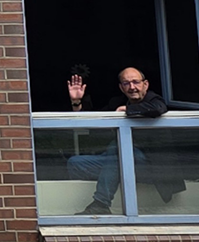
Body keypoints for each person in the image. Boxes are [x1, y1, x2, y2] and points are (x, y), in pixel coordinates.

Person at [66, 65, 169, 214]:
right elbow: (94, 123)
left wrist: (128, 110)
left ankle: (101, 204)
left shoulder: (153, 99)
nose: (132, 87)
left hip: (149, 165)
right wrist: (76, 102)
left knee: (118, 150)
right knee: (75, 163)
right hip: (116, 160)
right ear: (121, 87)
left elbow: (159, 108)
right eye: (126, 83)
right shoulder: (116, 102)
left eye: (136, 82)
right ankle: (109, 180)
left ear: (145, 84)